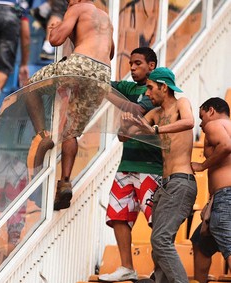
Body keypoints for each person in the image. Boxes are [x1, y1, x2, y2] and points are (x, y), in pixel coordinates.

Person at [23, 0, 114, 210]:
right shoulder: (106, 18)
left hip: (81, 63)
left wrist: (55, 29)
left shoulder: (78, 8)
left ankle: (42, 136)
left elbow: (55, 40)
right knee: (71, 131)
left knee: (30, 87)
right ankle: (65, 181)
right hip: (103, 74)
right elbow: (110, 53)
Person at [123, 67, 195, 283]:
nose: (147, 93)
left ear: (164, 87)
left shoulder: (181, 103)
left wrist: (153, 130)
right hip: (165, 185)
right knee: (160, 242)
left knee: (161, 240)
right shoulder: (154, 114)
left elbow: (190, 122)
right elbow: (124, 137)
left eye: (150, 88)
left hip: (182, 183)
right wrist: (127, 122)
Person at [98, 47, 162, 282]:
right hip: (127, 163)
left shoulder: (156, 89)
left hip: (152, 165)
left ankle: (161, 269)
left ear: (151, 66)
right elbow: (105, 84)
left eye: (138, 64)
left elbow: (136, 109)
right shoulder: (128, 87)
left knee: (156, 220)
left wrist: (106, 94)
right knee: (118, 214)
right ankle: (127, 267)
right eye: (131, 64)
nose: (132, 68)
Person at [190, 97, 231, 283]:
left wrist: (202, 165)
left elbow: (226, 145)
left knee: (227, 240)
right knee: (200, 241)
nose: (201, 123)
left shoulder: (214, 125)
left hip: (226, 195)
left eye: (202, 116)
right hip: (223, 197)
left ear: (212, 111)